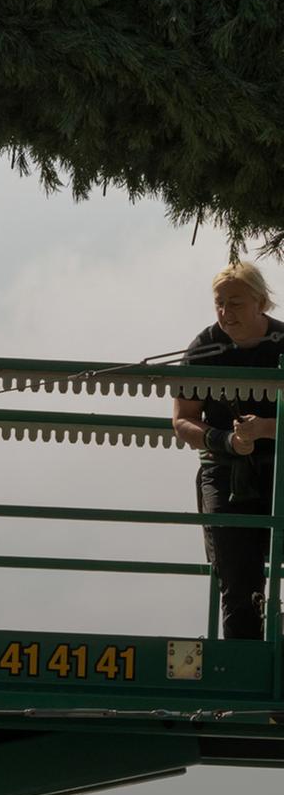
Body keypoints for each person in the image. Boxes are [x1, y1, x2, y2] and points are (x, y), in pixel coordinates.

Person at [171, 261, 284, 639]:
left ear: (260, 303)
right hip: (225, 472)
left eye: (235, 303)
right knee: (237, 580)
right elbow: (183, 420)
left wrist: (266, 428)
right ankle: (242, 664)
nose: (225, 312)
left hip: (280, 465)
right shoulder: (203, 348)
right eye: (219, 303)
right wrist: (227, 441)